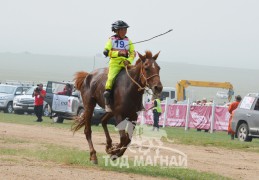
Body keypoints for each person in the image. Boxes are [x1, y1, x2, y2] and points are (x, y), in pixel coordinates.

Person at [103, 20, 135, 112]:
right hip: (115, 64)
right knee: (111, 79)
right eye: (122, 30)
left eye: (125, 30)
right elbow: (106, 52)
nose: (125, 31)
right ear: (117, 30)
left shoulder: (128, 40)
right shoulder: (111, 39)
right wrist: (118, 53)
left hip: (126, 64)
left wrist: (128, 61)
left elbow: (133, 53)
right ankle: (107, 102)